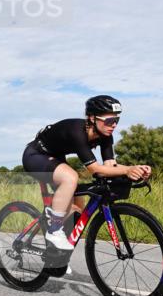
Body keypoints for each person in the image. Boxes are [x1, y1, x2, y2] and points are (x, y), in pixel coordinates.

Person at [22, 95, 152, 256]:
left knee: (77, 210)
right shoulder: (77, 132)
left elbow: (110, 165)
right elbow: (96, 170)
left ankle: (55, 257)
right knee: (71, 177)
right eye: (109, 121)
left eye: (116, 121)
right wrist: (127, 170)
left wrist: (136, 169)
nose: (114, 125)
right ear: (92, 118)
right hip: (35, 155)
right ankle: (54, 230)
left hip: (55, 157)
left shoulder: (105, 136)